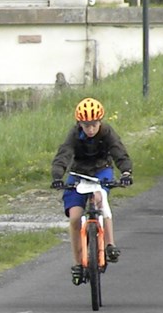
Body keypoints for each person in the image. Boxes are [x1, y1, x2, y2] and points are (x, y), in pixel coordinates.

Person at [51, 98, 133, 285]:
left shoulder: (107, 133)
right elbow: (64, 154)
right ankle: (78, 263)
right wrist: (57, 176)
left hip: (101, 170)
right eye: (86, 125)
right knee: (75, 217)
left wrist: (126, 172)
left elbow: (119, 152)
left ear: (100, 122)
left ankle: (110, 245)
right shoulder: (74, 135)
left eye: (94, 125)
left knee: (100, 198)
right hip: (78, 172)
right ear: (79, 123)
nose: (90, 129)